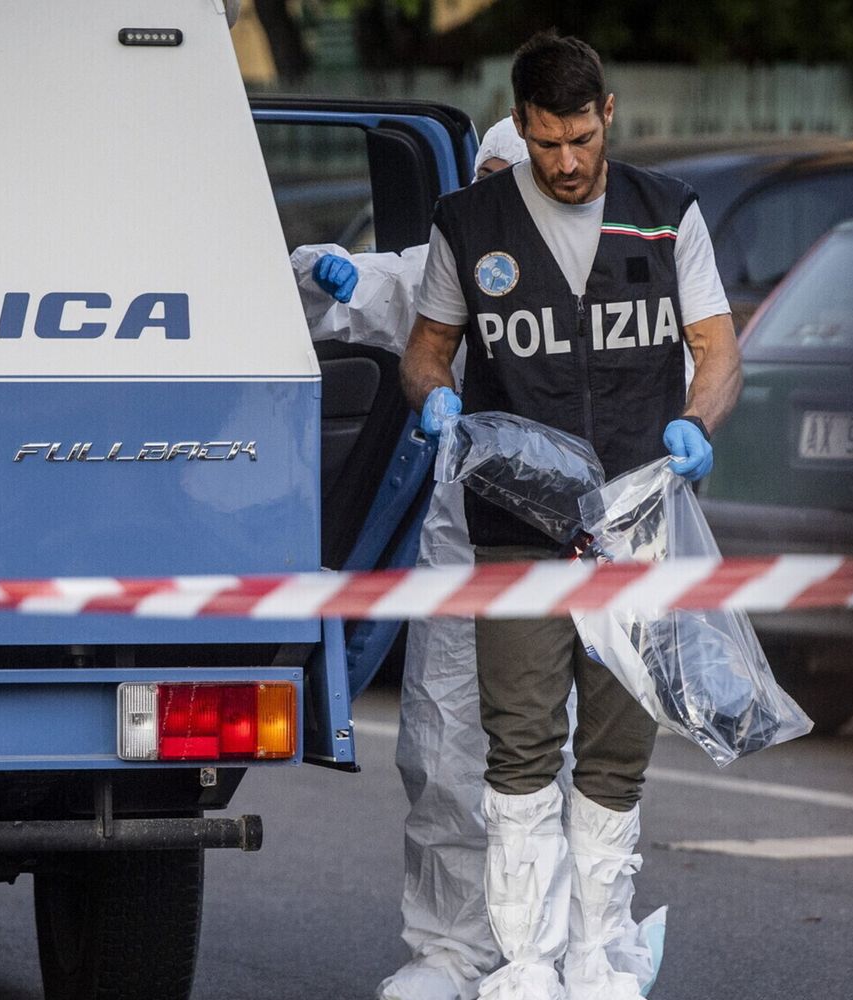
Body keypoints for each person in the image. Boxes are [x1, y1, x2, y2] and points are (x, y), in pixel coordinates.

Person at [400, 31, 741, 1000]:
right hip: (516, 522)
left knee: (618, 749)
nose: (565, 162)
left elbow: (717, 347)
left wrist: (696, 423)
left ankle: (597, 955)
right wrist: (433, 396)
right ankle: (525, 963)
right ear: (522, 123)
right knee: (519, 745)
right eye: (547, 142)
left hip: (638, 522)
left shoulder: (667, 215)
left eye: (581, 139)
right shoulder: (470, 222)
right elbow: (428, 347)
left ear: (608, 115)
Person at [290, 123, 531, 1000]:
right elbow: (346, 288)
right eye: (486, 178)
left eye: (512, 178)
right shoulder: (451, 263)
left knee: (569, 763)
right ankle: (450, 953)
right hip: (466, 544)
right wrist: (325, 270)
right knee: (443, 745)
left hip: (578, 548)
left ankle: (571, 950)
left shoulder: (606, 267)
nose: (495, 196)